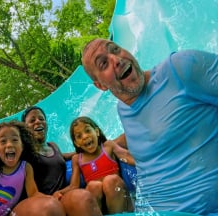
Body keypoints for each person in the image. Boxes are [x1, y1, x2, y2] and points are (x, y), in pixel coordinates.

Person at [81, 38, 218, 215]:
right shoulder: (123, 109)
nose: (116, 59)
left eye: (115, 49)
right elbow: (154, 129)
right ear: (100, 85)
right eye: (104, 63)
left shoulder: (179, 68)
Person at [11, 106, 102, 216]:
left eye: (41, 118)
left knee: (84, 198)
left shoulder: (53, 146)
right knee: (51, 207)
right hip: (37, 201)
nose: (38, 121)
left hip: (59, 196)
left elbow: (68, 155)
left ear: (46, 124)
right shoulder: (24, 150)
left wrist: (100, 146)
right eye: (32, 120)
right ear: (25, 128)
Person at [53, 116, 133, 214]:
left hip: (118, 198)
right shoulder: (77, 159)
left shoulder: (108, 146)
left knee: (110, 180)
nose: (85, 136)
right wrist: (60, 193)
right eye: (79, 136)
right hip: (99, 206)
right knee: (93, 186)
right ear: (76, 143)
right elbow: (74, 186)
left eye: (87, 131)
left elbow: (127, 156)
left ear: (97, 132)